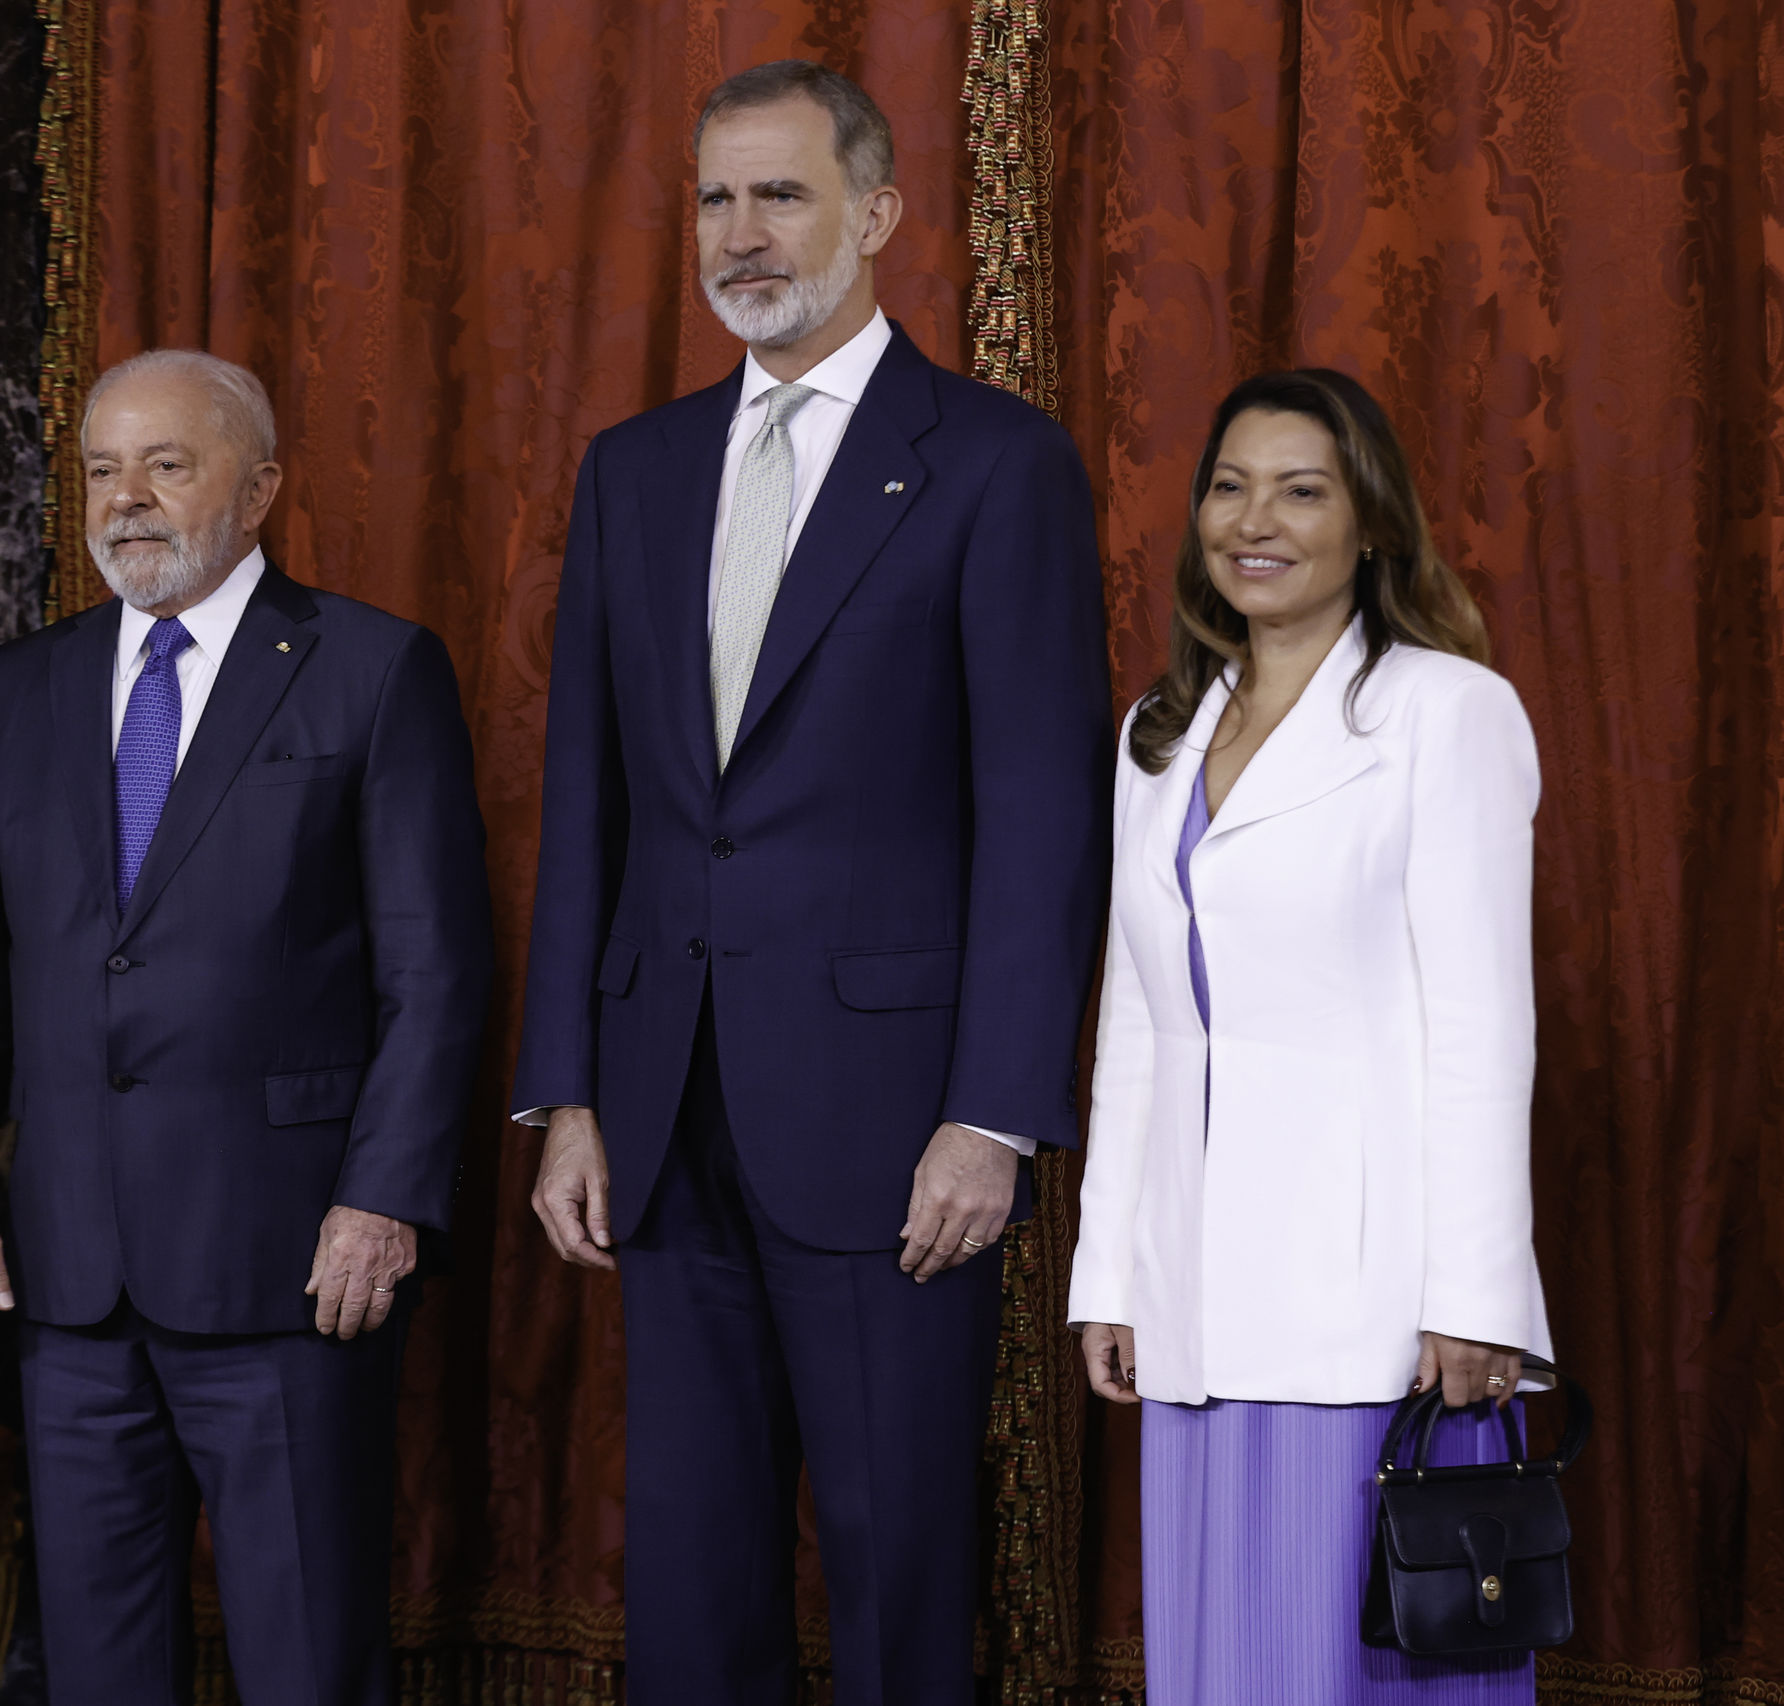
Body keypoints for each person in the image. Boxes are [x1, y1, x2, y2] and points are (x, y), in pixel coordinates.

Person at [514, 61, 1112, 1706]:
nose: (742, 232)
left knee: (897, 1571)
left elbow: (1043, 816)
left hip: (894, 1124)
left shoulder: (995, 463)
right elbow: (590, 803)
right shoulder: (633, 470)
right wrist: (566, 1091)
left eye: (780, 193)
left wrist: (994, 1115)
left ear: (878, 214)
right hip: (663, 1111)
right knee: (692, 1583)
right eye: (716, 197)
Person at [0, 349, 492, 1706]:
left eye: (167, 465)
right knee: (101, 1667)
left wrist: (383, 1201)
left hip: (292, 1264)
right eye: (103, 469)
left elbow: (435, 973)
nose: (128, 499)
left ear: (260, 487)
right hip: (68, 1275)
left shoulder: (372, 669)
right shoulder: (27, 686)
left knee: (307, 1661)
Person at [1066, 368, 1555, 1704]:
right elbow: (1140, 1025)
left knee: (1347, 1666)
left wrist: (1476, 1297)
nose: (1254, 520)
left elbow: (1484, 1026)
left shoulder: (1447, 713)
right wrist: (1112, 1269)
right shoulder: (1158, 735)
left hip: (1374, 1307)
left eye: (1301, 489)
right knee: (1221, 1665)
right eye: (1230, 486)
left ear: (1372, 523)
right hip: (1195, 1306)